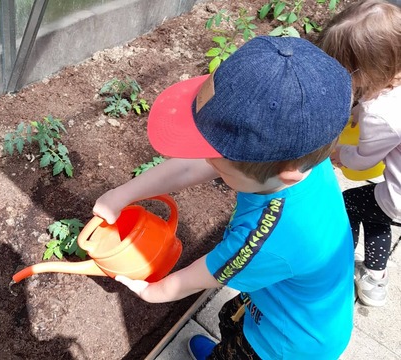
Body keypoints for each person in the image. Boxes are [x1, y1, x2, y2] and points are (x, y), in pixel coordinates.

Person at [93, 36, 354, 360]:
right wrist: (122, 195)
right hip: (293, 299)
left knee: (236, 349)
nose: (208, 165)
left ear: (287, 171)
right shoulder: (301, 148)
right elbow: (195, 167)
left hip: (284, 343)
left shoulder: (261, 240)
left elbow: (199, 276)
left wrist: (151, 292)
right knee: (231, 317)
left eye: (220, 166)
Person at [319, 0, 401, 307]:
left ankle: (338, 269)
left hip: (398, 197)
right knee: (375, 210)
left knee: (348, 205)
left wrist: (341, 153)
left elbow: (364, 157)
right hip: (393, 195)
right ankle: (375, 279)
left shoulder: (381, 115)